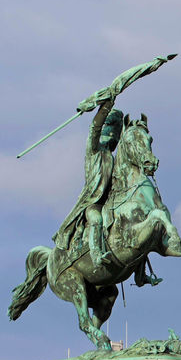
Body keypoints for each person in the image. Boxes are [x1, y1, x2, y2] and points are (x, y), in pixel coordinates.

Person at [52, 96, 122, 266]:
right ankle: (97, 255)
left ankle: (141, 273)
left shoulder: (114, 159)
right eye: (109, 131)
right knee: (96, 220)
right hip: (92, 203)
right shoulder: (94, 150)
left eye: (114, 134)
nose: (112, 136)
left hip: (109, 203)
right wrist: (106, 107)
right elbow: (95, 127)